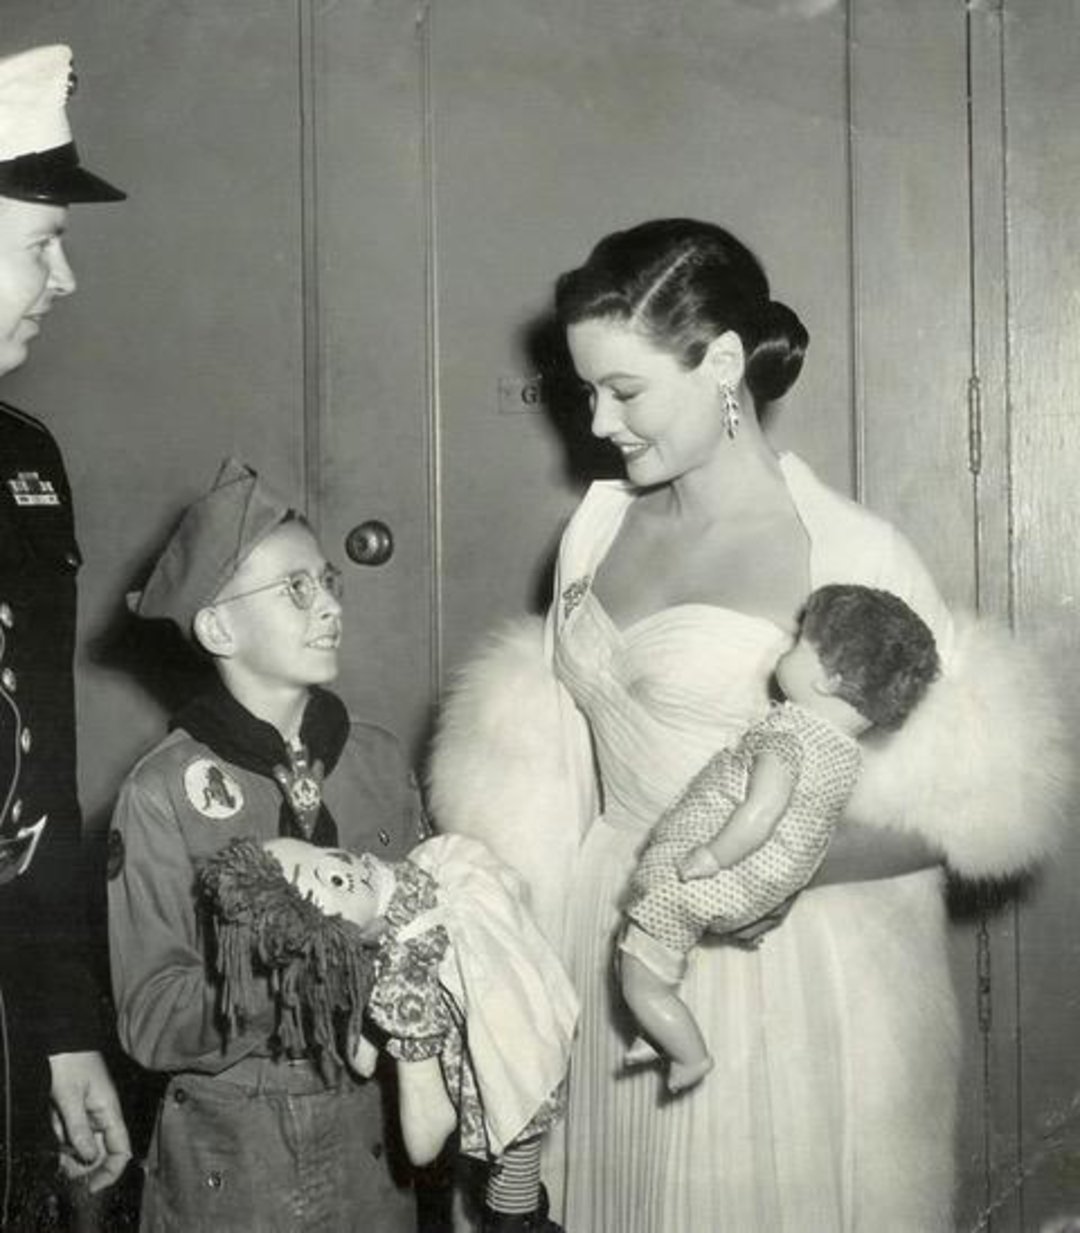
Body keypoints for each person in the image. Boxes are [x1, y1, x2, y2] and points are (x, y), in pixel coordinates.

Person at [427, 218, 1069, 1232]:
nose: (598, 423)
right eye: (587, 391)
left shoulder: (850, 551)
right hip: (602, 940)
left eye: (625, 390)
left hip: (769, 980)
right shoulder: (593, 526)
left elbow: (970, 813)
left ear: (723, 363)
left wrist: (775, 867)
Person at [107, 459, 421, 1232]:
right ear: (218, 627)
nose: (328, 607)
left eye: (327, 582)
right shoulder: (162, 791)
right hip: (231, 1148)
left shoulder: (378, 759)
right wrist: (293, 969)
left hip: (371, 1134)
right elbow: (149, 1016)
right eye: (294, 589)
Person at [619, 584, 939, 1094]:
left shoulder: (787, 739)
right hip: (764, 885)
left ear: (829, 680)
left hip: (723, 871)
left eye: (798, 644)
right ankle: (658, 1027)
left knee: (638, 967)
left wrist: (710, 855)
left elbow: (761, 812)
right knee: (662, 958)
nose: (783, 650)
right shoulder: (842, 753)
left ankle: (685, 1051)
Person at [0, 42, 131, 1228]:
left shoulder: (23, 462)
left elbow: (36, 785)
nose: (66, 280)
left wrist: (63, 1034)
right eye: (41, 244)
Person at [200, 829, 578, 1232]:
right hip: (491, 1050)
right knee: (494, 1181)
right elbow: (370, 1065)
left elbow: (425, 1137)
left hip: (506, 1058)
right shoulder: (396, 915)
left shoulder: (403, 972)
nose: (346, 864)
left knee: (510, 1192)